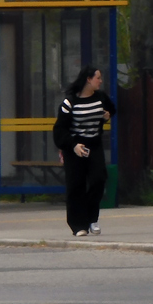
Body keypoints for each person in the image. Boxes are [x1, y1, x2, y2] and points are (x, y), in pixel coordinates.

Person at [53, 66, 116, 237]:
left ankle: (91, 218)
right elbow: (60, 130)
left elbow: (112, 110)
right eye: (98, 78)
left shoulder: (101, 97)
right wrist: (73, 145)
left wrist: (107, 115)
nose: (100, 81)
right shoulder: (70, 102)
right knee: (76, 185)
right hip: (75, 147)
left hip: (94, 145)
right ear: (88, 79)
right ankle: (77, 224)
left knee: (98, 180)